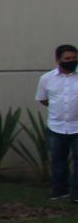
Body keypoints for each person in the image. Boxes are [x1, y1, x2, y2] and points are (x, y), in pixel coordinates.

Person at [35, 43, 78, 202]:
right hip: (56, 127)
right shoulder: (46, 79)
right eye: (67, 58)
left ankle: (76, 194)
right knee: (58, 161)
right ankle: (59, 191)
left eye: (74, 58)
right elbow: (43, 99)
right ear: (58, 60)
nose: (71, 61)